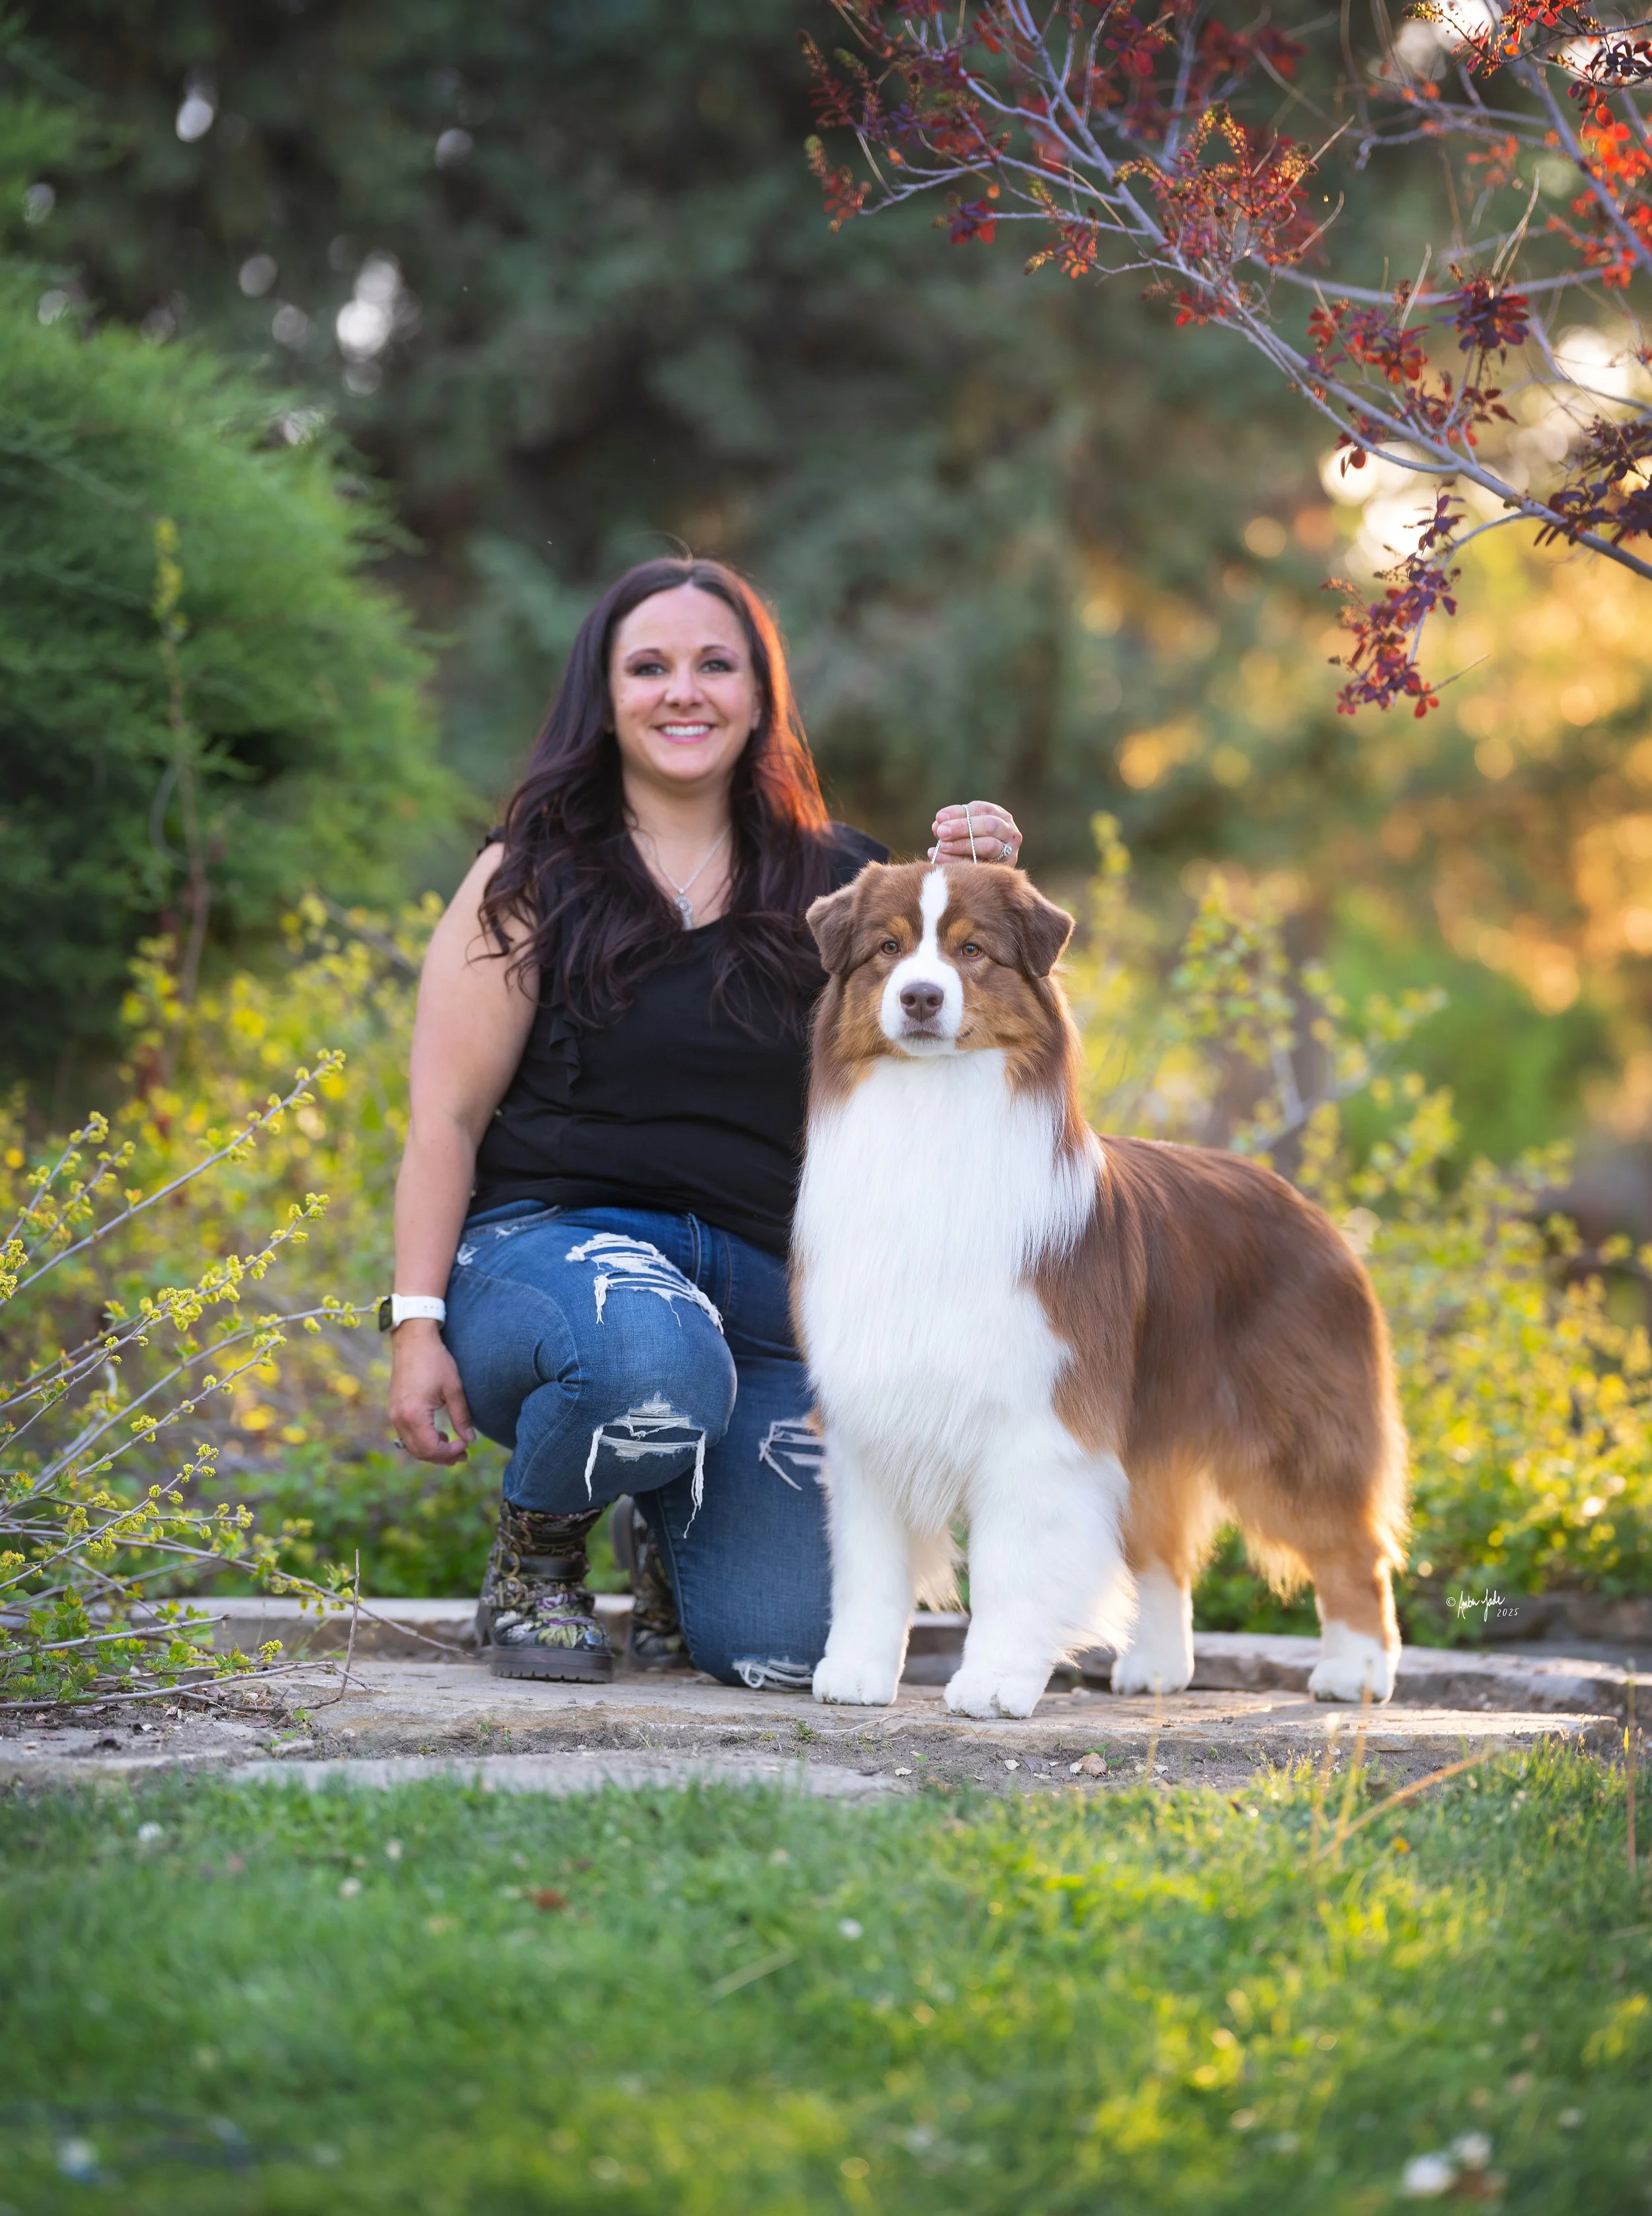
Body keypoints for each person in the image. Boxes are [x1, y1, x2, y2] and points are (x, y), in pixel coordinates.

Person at [387, 555, 1023, 1686]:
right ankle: (536, 1557)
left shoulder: (852, 884)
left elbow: (959, 1066)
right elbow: (444, 1116)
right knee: (650, 1357)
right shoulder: (527, 875)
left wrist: (986, 889)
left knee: (784, 1648)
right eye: (650, 666)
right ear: (606, 694)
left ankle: (672, 1523)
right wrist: (415, 1325)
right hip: (548, 1259)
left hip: (769, 1289)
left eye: (714, 665)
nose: (684, 691)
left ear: (759, 694)